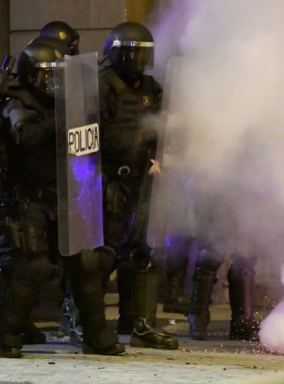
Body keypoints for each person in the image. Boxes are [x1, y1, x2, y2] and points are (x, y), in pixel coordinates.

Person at [0, 39, 125, 358]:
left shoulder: (66, 104)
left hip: (65, 196)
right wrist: (63, 119)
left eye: (57, 76)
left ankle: (96, 336)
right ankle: (7, 336)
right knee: (32, 268)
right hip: (28, 200)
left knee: (85, 264)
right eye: (45, 76)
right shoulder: (16, 101)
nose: (52, 83)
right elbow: (25, 134)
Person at [97, 21, 178, 350]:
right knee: (104, 253)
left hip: (143, 182)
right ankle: (83, 318)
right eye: (132, 53)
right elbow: (97, 135)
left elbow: (165, 127)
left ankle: (138, 323)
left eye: (144, 54)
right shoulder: (103, 85)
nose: (139, 60)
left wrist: (162, 156)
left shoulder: (150, 87)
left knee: (142, 252)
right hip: (111, 181)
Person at [186, 191, 260, 341]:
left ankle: (243, 321)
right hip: (213, 189)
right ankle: (197, 317)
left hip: (245, 188)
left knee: (245, 256)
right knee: (210, 254)